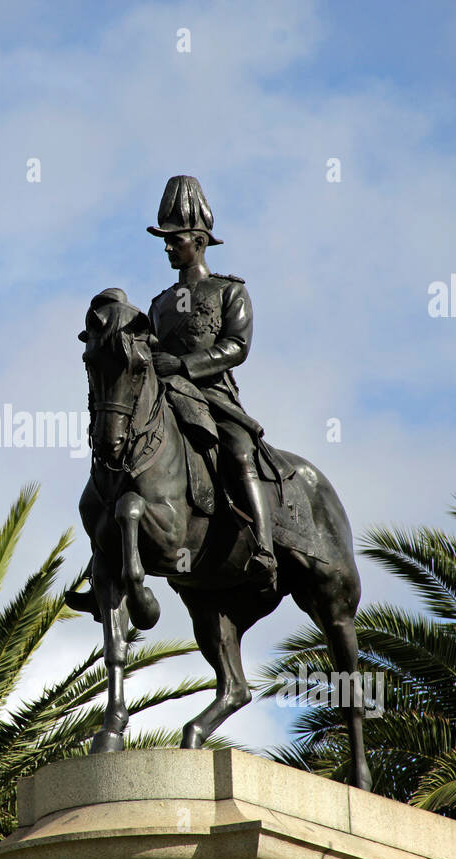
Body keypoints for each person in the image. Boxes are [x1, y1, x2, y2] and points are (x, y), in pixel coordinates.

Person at [145, 175, 278, 590]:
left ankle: (264, 548)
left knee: (238, 451)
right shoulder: (159, 304)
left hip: (212, 398)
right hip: (165, 401)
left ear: (199, 241)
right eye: (164, 240)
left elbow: (235, 347)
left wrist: (182, 366)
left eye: (174, 239)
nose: (167, 246)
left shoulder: (228, 292)